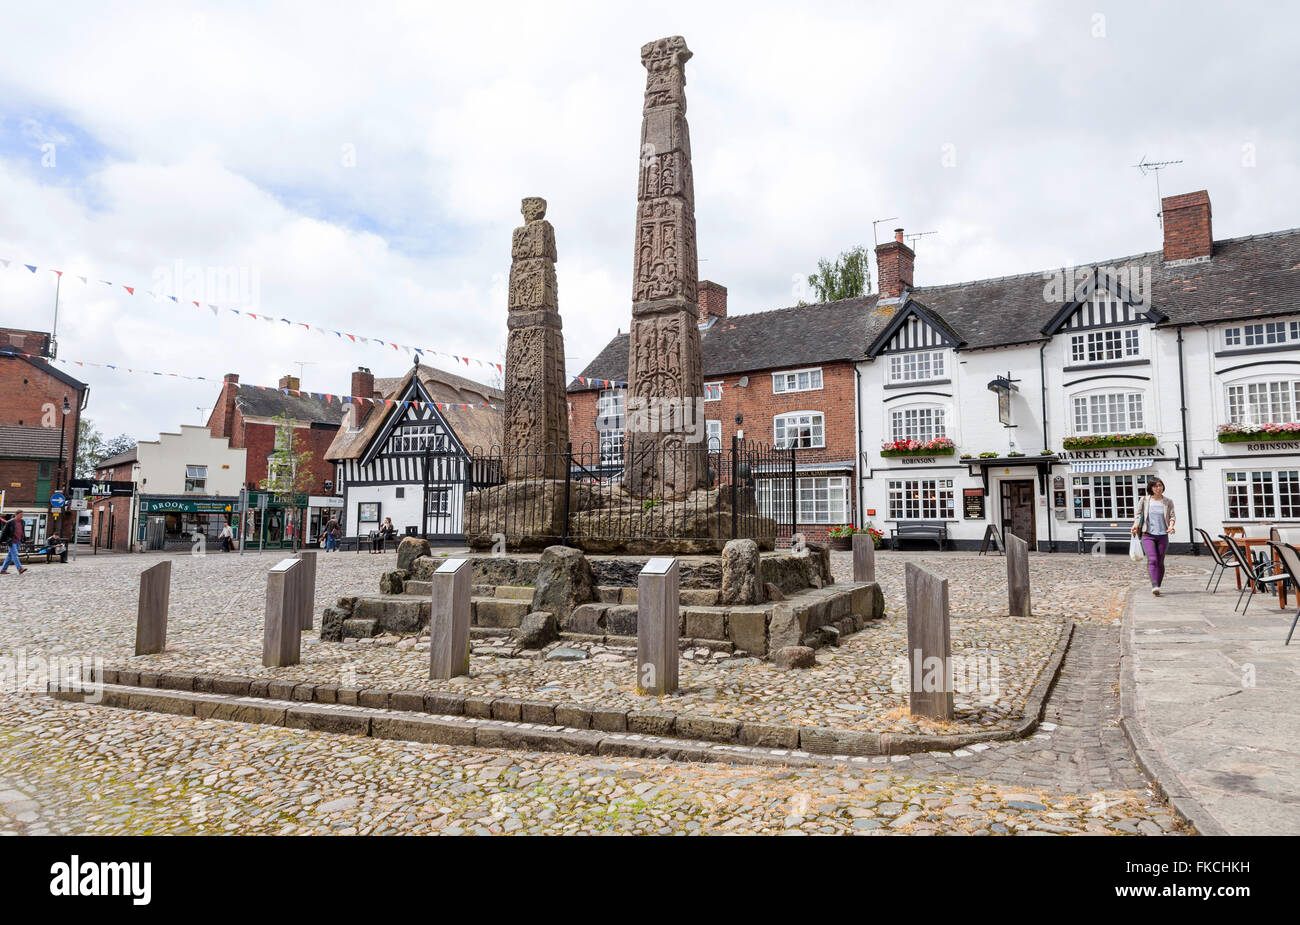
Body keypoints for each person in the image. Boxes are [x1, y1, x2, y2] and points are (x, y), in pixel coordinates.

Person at [1131, 479, 1176, 596]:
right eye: (1155, 486)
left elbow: (1172, 516)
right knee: (1153, 559)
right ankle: (1154, 585)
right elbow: (1139, 515)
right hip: (1148, 535)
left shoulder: (1168, 501)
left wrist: (1171, 526)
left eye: (1160, 485)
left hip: (1162, 535)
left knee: (1160, 562)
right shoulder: (1145, 500)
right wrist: (1135, 525)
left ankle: (1158, 584)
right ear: (1151, 488)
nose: (1158, 488)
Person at [0, 511, 28, 575]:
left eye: (22, 515)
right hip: (12, 541)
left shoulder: (22, 522)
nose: (22, 516)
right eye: (21, 514)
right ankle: (20, 568)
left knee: (10, 556)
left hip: (18, 541)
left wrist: (24, 538)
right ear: (16, 514)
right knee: (15, 554)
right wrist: (0, 541)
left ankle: (3, 570)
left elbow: (23, 531)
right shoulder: (10, 522)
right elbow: (4, 532)